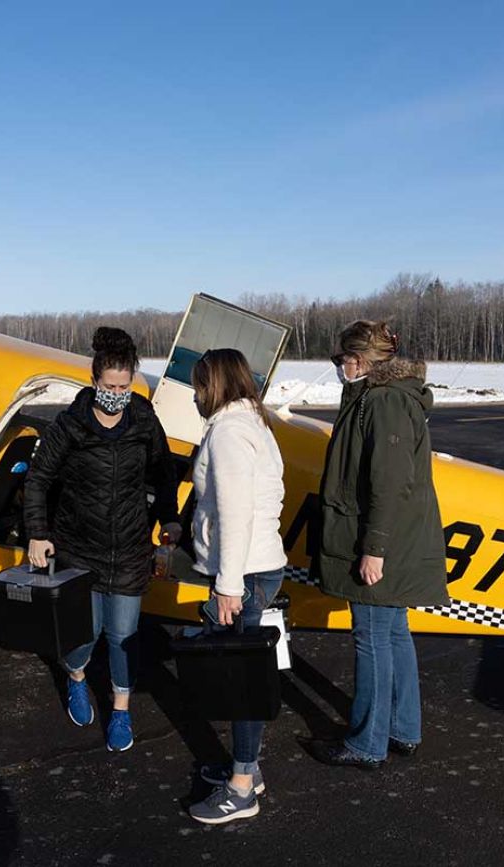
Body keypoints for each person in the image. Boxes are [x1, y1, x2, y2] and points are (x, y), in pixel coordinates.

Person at [23, 327, 181, 752]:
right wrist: (38, 533)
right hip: (80, 546)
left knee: (123, 635)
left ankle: (122, 710)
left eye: (124, 386)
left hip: (130, 547)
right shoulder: (71, 425)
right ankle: (76, 676)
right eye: (109, 386)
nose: (116, 393)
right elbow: (38, 479)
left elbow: (164, 473)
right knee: (86, 633)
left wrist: (169, 517)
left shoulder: (143, 418)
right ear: (95, 382)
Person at [304, 320, 449, 770]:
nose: (341, 367)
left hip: (381, 542)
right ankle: (404, 728)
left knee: (371, 639)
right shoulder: (384, 396)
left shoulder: (383, 402)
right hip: (396, 540)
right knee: (394, 634)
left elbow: (388, 483)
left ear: (364, 361)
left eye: (346, 359)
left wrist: (375, 548)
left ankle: (367, 742)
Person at [185, 348, 287, 825]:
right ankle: (247, 768)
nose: (195, 393)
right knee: (243, 673)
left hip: (242, 571)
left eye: (199, 383)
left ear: (216, 384)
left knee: (241, 680)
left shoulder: (228, 432)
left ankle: (242, 787)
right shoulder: (254, 422)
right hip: (256, 566)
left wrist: (227, 585)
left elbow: (235, 513)